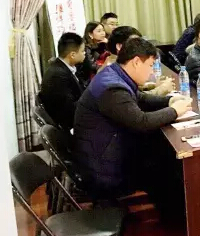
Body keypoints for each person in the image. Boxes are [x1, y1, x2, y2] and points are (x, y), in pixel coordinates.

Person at [73, 37, 193, 202]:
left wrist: (169, 100)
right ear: (136, 62)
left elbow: (140, 98)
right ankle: (178, 213)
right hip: (105, 169)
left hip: (106, 152)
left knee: (163, 151)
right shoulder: (112, 89)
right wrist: (174, 111)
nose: (151, 72)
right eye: (150, 66)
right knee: (168, 165)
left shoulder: (114, 73)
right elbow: (141, 122)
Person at [100, 25, 175, 95]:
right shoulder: (112, 74)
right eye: (135, 44)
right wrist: (161, 90)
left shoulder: (117, 63)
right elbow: (132, 98)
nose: (141, 47)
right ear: (119, 46)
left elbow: (134, 89)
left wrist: (154, 86)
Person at [39, 33, 86, 131]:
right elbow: (69, 109)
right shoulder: (58, 75)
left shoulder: (63, 67)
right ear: (72, 55)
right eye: (82, 51)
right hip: (69, 125)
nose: (84, 53)